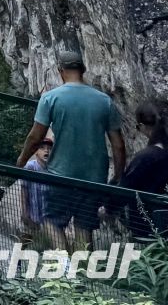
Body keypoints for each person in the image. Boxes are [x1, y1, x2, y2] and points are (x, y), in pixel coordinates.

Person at [16, 49, 126, 250]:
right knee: (84, 228)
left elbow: (35, 137)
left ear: (60, 71)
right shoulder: (104, 101)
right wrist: (117, 176)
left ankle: (65, 264)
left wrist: (22, 160)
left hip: (61, 175)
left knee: (51, 221)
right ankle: (83, 275)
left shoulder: (51, 98)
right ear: (83, 70)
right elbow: (118, 145)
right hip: (94, 179)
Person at [122, 102, 168, 237]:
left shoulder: (146, 157)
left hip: (147, 221)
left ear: (142, 126)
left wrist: (108, 208)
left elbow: (127, 185)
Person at [22, 135, 55, 244]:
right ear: (36, 152)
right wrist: (25, 212)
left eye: (49, 148)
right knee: (27, 239)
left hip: (48, 216)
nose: (46, 151)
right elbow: (24, 189)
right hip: (33, 214)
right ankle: (17, 260)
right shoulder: (30, 167)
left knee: (45, 243)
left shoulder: (53, 170)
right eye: (42, 148)